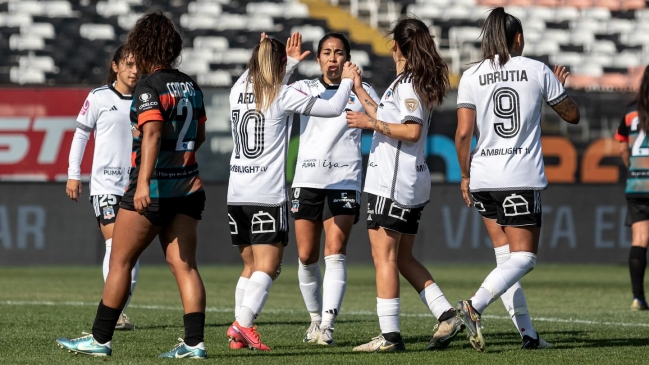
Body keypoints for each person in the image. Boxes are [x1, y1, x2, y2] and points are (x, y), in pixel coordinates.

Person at [57, 12, 209, 358]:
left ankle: (99, 340)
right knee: (185, 266)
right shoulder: (190, 85)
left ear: (145, 46)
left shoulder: (148, 87)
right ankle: (194, 344)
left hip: (153, 190)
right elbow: (197, 135)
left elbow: (153, 132)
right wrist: (178, 160)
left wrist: (142, 184)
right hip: (188, 188)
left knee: (120, 261)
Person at [454, 7, 580, 352]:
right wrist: (554, 88)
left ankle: (528, 335)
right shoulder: (537, 69)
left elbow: (464, 134)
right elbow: (573, 115)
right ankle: (473, 306)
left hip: (482, 176)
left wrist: (464, 176)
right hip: (519, 177)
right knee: (525, 259)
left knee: (505, 260)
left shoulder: (470, 75)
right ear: (519, 38)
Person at [226, 33, 359, 352]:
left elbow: (263, 75)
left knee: (249, 267)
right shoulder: (282, 95)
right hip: (266, 194)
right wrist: (349, 81)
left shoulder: (236, 90)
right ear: (278, 64)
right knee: (268, 267)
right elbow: (334, 107)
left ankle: (238, 335)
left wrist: (286, 59)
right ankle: (243, 324)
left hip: (235, 193)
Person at [346, 17, 462, 352]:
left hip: (393, 182)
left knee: (383, 256)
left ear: (395, 44)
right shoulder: (409, 81)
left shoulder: (409, 82)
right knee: (402, 258)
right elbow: (389, 117)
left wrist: (369, 122)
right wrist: (359, 91)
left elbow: (409, 130)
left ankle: (390, 336)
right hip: (409, 180)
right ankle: (447, 314)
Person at [290, 33, 380, 346]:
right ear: (318, 59)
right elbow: (274, 97)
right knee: (305, 255)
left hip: (344, 180)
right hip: (307, 180)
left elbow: (385, 120)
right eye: (327, 52)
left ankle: (327, 325)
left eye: (339, 53)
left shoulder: (362, 90)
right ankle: (314, 319)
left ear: (348, 59)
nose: (333, 58)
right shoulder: (304, 88)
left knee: (335, 250)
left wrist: (356, 88)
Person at [66, 45, 140, 331]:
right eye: (129, 65)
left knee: (129, 252)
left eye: (137, 65)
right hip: (105, 185)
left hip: (134, 186)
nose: (134, 71)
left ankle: (117, 309)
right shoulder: (98, 97)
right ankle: (116, 314)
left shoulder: (145, 100)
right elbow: (81, 135)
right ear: (115, 66)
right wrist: (74, 174)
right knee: (117, 245)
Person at [616, 64, 649, 312]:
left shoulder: (630, 113)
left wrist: (634, 170)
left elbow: (622, 149)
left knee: (639, 240)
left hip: (636, 183)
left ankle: (638, 298)